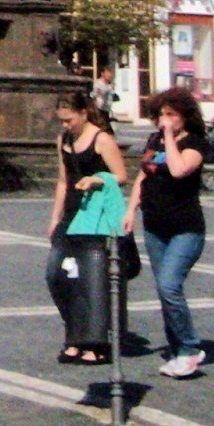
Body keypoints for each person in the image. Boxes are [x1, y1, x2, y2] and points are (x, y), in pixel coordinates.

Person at [126, 87, 212, 379]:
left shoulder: (195, 144)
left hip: (185, 228)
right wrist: (131, 210)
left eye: (171, 114)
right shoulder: (155, 141)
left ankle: (190, 348)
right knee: (164, 291)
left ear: (184, 117)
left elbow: (177, 170)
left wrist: (169, 140)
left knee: (169, 284)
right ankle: (177, 348)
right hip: (155, 226)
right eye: (161, 114)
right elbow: (143, 175)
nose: (164, 119)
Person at [45, 90, 127, 367]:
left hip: (94, 218)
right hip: (70, 215)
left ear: (83, 113)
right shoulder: (63, 140)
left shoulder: (101, 139)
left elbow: (122, 176)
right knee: (57, 276)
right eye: (61, 121)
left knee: (91, 281)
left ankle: (95, 343)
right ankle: (74, 334)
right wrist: (55, 217)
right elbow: (62, 180)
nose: (65, 125)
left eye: (69, 120)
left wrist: (96, 180)